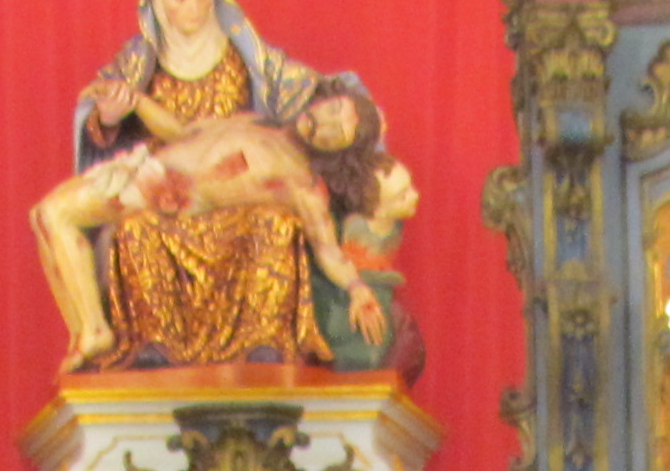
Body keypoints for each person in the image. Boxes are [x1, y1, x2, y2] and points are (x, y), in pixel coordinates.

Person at [52, 0, 337, 370]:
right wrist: (109, 118)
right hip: (166, 190)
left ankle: (264, 342)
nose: (194, 6)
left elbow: (313, 100)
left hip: (236, 187)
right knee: (136, 232)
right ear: (158, 4)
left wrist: (342, 113)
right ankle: (156, 346)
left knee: (276, 224)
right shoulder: (138, 61)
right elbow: (101, 125)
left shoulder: (248, 55)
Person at [35, 76, 405, 374]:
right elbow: (180, 132)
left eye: (337, 132)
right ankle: (87, 331)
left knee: (56, 214)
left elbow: (326, 247)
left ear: (338, 152)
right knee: (43, 216)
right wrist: (137, 101)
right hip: (142, 166)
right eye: (334, 110)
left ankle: (94, 330)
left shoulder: (300, 180)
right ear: (326, 98)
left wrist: (357, 287)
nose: (324, 124)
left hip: (163, 190)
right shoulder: (256, 122)